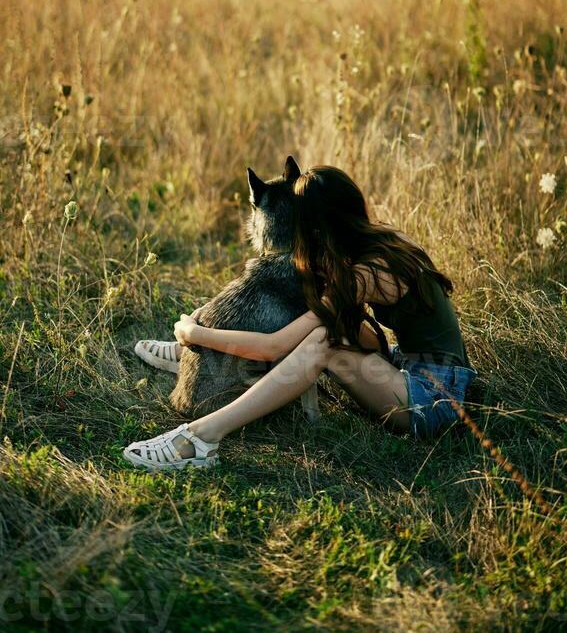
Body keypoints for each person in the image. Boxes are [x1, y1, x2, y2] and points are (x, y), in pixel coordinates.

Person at [123, 166, 477, 471]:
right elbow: (367, 336)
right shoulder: (385, 238)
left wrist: (195, 333)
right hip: (429, 370)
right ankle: (199, 359)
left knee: (323, 345)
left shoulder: (363, 275)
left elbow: (273, 346)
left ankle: (201, 437)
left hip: (434, 400)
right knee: (327, 332)